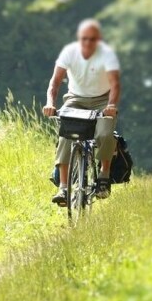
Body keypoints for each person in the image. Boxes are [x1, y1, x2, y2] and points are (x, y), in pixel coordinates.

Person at [42, 19, 120, 205]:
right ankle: (63, 187)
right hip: (75, 99)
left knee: (105, 134)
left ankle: (104, 175)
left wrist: (111, 106)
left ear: (98, 39)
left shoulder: (107, 55)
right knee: (65, 136)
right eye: (84, 38)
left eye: (92, 39)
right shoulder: (69, 53)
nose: (88, 42)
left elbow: (115, 85)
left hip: (102, 100)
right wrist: (50, 103)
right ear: (79, 38)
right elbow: (54, 82)